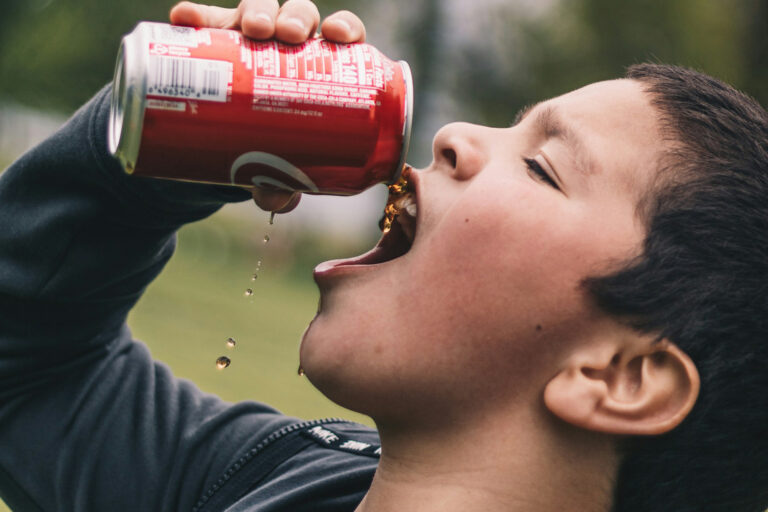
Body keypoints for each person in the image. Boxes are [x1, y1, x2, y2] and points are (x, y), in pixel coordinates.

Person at [1, 0, 766, 510]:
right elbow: (30, 375)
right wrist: (160, 144)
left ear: (621, 377)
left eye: (543, 166)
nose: (453, 135)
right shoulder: (290, 478)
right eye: (511, 124)